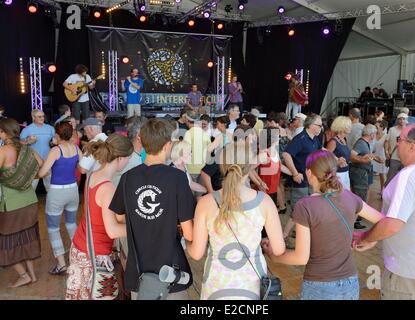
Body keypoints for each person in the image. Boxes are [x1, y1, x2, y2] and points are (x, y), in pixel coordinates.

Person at [262, 150, 384, 300]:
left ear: (308, 172)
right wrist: (370, 239)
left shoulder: (305, 205)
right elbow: (383, 221)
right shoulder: (349, 196)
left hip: (320, 285)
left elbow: (301, 258)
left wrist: (273, 256)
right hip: (350, 281)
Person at [354, 124, 415, 300]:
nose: (397, 144)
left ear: (412, 146)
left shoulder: (409, 176)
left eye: (400, 140)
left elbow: (392, 224)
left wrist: (366, 237)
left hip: (408, 270)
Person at [109, 118, 195, 299]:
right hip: (171, 270)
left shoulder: (127, 178)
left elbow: (118, 218)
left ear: (141, 140)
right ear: (167, 145)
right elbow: (189, 233)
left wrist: (140, 222)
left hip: (139, 271)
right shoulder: (177, 178)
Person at [186, 142, 285, 300]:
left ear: (222, 165)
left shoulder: (206, 202)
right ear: (250, 166)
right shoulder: (265, 201)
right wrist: (265, 246)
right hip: (253, 282)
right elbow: (279, 249)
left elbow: (196, 253)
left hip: (217, 282)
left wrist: (185, 239)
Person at [65, 133, 131, 300]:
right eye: (128, 158)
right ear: (120, 158)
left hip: (80, 246)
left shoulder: (93, 176)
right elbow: (113, 231)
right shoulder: (108, 189)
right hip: (95, 256)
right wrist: (142, 226)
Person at [0, 118, 43, 288]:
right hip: (29, 201)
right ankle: (31, 275)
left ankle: (24, 275)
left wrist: (9, 179)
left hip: (10, 205)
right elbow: (42, 169)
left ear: (4, 132)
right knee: (26, 239)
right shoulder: (27, 149)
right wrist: (25, 177)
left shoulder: (3, 151)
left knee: (6, 243)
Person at [38, 122, 83, 275]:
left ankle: (62, 265)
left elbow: (42, 173)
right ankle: (78, 260)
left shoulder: (55, 150)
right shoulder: (76, 148)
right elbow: (82, 169)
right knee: (71, 224)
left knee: (53, 229)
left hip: (57, 192)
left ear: (57, 134)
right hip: (73, 190)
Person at [282, 114, 322, 240]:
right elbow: (286, 154)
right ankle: (284, 236)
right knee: (298, 210)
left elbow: (320, 152)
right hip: (300, 181)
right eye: (319, 125)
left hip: (310, 180)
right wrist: (295, 173)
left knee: (307, 209)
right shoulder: (300, 138)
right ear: (310, 125)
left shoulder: (314, 139)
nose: (321, 128)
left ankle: (300, 232)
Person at [20, 109, 55, 191]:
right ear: (33, 117)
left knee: (50, 186)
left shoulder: (50, 128)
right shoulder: (27, 129)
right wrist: (28, 141)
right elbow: (20, 143)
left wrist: (53, 143)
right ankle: (30, 202)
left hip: (47, 160)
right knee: (31, 187)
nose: (42, 118)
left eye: (43, 116)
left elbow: (54, 143)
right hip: (33, 161)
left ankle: (51, 203)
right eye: (39, 117)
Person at [326, 116, 352, 191]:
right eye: (348, 126)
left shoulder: (344, 139)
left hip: (345, 172)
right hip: (337, 174)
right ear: (342, 127)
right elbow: (326, 158)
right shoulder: (333, 141)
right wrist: (337, 162)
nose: (350, 127)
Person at [384, 113, 408, 186]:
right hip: (394, 157)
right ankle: (385, 194)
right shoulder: (392, 129)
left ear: (406, 120)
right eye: (400, 119)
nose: (402, 120)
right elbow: (386, 141)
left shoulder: (409, 131)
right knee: (390, 178)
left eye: (403, 119)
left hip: (405, 158)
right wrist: (386, 152)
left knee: (403, 180)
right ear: (397, 120)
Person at [373, 120, 388, 195]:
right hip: (373, 157)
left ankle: (382, 190)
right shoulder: (372, 135)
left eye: (376, 127)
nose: (374, 128)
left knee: (382, 175)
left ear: (382, 128)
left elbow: (387, 148)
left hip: (381, 158)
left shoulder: (386, 136)